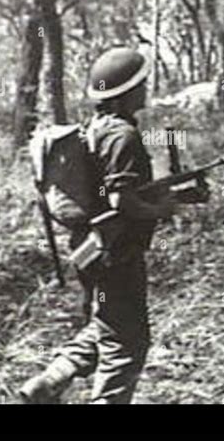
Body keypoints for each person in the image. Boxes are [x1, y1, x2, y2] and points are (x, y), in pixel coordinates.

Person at [19, 47, 176, 404]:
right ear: (129, 92)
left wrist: (167, 192)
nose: (146, 89)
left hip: (90, 249)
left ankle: (49, 383)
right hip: (116, 253)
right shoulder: (124, 136)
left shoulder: (95, 130)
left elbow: (113, 192)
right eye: (142, 83)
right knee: (127, 343)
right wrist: (163, 209)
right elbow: (123, 200)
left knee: (108, 325)